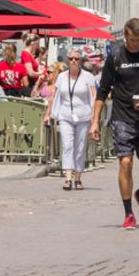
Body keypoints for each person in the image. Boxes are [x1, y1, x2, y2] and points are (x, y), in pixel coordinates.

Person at [90, 18, 139, 230]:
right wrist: (95, 121)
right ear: (125, 37)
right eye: (132, 40)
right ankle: (128, 214)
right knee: (125, 163)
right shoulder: (116, 56)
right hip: (122, 117)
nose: (135, 44)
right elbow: (102, 91)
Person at [45, 49, 97, 190]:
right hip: (65, 115)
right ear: (68, 60)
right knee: (67, 145)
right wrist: (48, 114)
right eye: (71, 58)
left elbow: (94, 95)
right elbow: (54, 96)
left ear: (80, 61)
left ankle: (78, 178)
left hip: (83, 116)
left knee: (80, 148)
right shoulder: (61, 77)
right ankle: (68, 178)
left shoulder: (88, 76)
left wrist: (94, 116)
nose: (74, 61)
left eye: (76, 58)